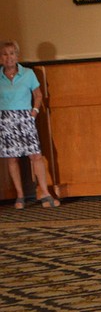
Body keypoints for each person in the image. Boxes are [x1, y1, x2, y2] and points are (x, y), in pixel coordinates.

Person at [0, 40, 60, 209]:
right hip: (5, 119)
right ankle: (20, 196)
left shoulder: (28, 74)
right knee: (12, 159)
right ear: (0, 58)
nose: (9, 57)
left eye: (12, 53)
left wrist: (34, 112)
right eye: (5, 54)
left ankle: (45, 193)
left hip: (25, 118)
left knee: (35, 156)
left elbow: (38, 95)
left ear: (17, 56)